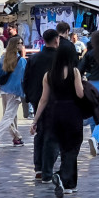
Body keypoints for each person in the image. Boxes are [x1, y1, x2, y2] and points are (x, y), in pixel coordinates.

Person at [30, 42, 85, 198]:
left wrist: (35, 121)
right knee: (71, 149)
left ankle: (70, 185)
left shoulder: (48, 75)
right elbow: (80, 94)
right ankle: (62, 177)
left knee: (62, 147)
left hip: (55, 113)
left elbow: (43, 99)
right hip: (72, 113)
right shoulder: (74, 72)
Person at [24, 29, 61, 181]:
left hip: (36, 98)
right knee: (52, 135)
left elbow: (26, 79)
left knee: (40, 132)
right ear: (56, 40)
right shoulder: (59, 59)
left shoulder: (34, 58)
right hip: (55, 100)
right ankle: (47, 168)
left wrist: (29, 96)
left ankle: (38, 167)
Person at [0, 36, 27, 151]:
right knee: (9, 116)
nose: (22, 45)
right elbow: (25, 79)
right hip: (15, 92)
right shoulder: (22, 61)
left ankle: (16, 138)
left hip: (4, 90)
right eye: (20, 43)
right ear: (16, 45)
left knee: (11, 115)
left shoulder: (3, 59)